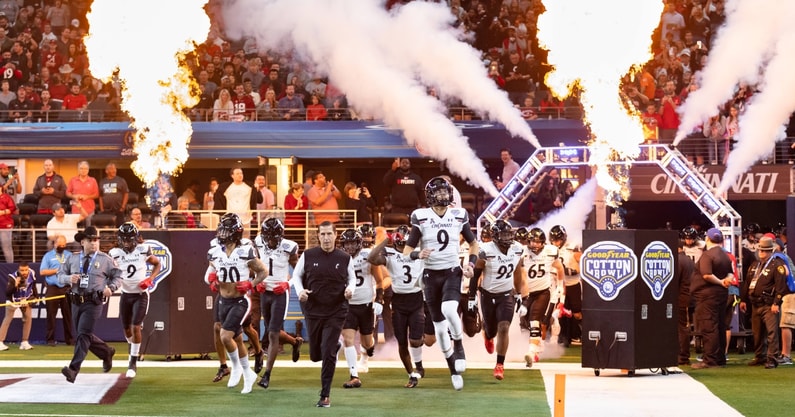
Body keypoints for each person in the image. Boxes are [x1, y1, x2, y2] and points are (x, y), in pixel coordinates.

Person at [403, 176, 479, 390]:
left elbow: (474, 243)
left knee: (449, 309)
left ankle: (459, 344)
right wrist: (419, 254)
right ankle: (453, 369)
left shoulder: (458, 215)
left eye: (446, 192)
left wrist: (471, 264)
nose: (444, 196)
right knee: (438, 327)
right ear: (430, 196)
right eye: (439, 193)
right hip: (430, 275)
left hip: (452, 271)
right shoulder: (421, 216)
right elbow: (407, 251)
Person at [290, 221, 356, 408]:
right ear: (318, 236)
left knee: (327, 353)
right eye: (323, 234)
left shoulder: (344, 258)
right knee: (315, 355)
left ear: (336, 235)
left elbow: (352, 278)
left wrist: (350, 289)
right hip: (313, 310)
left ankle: (325, 395)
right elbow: (296, 276)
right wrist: (300, 290)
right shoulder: (308, 255)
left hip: (336, 310)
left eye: (329, 234)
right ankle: (333, 346)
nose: (326, 238)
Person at [204, 213, 268, 394]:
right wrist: (212, 279)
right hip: (223, 300)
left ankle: (242, 370)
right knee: (238, 339)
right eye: (221, 229)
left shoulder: (245, 250)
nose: (222, 233)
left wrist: (251, 283)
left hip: (241, 300)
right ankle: (244, 372)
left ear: (235, 232)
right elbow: (211, 271)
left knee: (225, 336)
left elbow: (263, 271)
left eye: (226, 230)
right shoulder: (215, 251)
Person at [58, 226, 122, 383]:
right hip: (75, 302)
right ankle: (106, 352)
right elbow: (59, 275)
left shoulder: (105, 259)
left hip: (93, 302)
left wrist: (111, 288)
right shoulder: (72, 258)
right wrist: (68, 279)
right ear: (82, 242)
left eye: (96, 240)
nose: (94, 243)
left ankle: (73, 370)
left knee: (83, 334)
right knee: (83, 334)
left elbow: (119, 277)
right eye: (90, 240)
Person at [467, 220, 524, 380]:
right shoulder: (485, 250)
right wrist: (472, 297)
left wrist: (518, 293)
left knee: (504, 327)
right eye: (503, 235)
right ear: (495, 236)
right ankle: (487, 333)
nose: (507, 238)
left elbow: (517, 272)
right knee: (492, 330)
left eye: (508, 234)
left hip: (506, 294)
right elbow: (476, 274)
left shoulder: (517, 249)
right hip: (487, 294)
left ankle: (500, 364)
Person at [252, 218, 302, 389]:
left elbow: (299, 272)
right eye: (269, 237)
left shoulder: (290, 246)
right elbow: (254, 265)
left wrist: (287, 284)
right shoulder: (258, 242)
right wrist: (256, 279)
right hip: (265, 291)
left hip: (280, 294)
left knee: (273, 334)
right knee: (271, 330)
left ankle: (267, 374)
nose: (271, 241)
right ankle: (295, 342)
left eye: (274, 237)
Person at [108, 223, 161, 378]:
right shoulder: (114, 253)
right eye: (123, 239)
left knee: (136, 327)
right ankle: (133, 349)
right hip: (125, 294)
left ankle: (133, 361)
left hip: (141, 294)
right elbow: (109, 271)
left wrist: (150, 278)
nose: (126, 242)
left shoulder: (143, 249)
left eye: (129, 239)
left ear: (136, 238)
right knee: (126, 330)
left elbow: (157, 263)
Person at [337, 228, 383, 389]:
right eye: (346, 243)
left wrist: (380, 300)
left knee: (367, 341)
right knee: (348, 339)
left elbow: (379, 280)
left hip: (366, 304)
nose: (349, 247)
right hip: (348, 305)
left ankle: (368, 352)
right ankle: (353, 375)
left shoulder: (367, 256)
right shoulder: (339, 258)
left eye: (352, 243)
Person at [739, 237, 788, 369]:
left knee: (772, 332)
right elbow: (747, 283)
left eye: (765, 251)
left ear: (771, 251)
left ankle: (772, 358)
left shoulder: (777, 265)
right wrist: (743, 299)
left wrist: (776, 303)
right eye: (760, 250)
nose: (762, 253)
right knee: (757, 332)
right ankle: (760, 356)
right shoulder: (755, 265)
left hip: (768, 303)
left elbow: (780, 286)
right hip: (755, 303)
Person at [519, 227, 564, 367]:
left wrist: (560, 286)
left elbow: (559, 268)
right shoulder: (522, 252)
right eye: (533, 241)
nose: (535, 245)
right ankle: (537, 348)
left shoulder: (551, 252)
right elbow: (517, 273)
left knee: (535, 320)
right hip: (527, 293)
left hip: (543, 291)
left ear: (543, 242)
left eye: (538, 242)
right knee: (526, 324)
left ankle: (531, 353)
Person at [691, 227, 734, 370]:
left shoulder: (707, 255)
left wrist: (721, 282)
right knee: (720, 325)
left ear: (707, 239)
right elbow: (731, 274)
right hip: (721, 295)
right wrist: (725, 281)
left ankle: (710, 360)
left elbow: (707, 275)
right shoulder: (725, 255)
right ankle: (720, 358)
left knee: (709, 326)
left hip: (707, 295)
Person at [549, 225, 583, 347]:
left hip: (572, 283)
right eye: (553, 239)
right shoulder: (550, 249)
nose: (556, 242)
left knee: (577, 313)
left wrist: (570, 271)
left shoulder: (573, 246)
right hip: (558, 284)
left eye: (558, 239)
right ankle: (564, 337)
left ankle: (581, 333)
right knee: (560, 312)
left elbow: (583, 265)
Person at [39, 234, 74, 347]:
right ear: (55, 244)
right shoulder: (48, 256)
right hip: (52, 288)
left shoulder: (69, 255)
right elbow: (42, 272)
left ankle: (69, 339)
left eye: (64, 245)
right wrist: (56, 270)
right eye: (60, 245)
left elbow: (74, 269)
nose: (62, 247)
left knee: (68, 315)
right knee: (51, 315)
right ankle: (50, 339)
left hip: (66, 288)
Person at [214, 168, 262, 238]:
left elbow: (260, 200)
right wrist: (216, 190)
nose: (240, 175)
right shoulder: (225, 187)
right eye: (237, 174)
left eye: (241, 173)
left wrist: (258, 190)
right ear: (232, 175)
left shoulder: (250, 186)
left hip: (245, 219)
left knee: (246, 240)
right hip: (231, 219)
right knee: (231, 239)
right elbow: (218, 198)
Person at [0, 261, 37, 351]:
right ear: (18, 269)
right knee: (7, 319)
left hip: (25, 299)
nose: (24, 272)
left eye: (26, 270)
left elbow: (33, 285)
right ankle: (0, 342)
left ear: (28, 268)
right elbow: (8, 293)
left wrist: (36, 297)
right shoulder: (12, 277)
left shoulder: (32, 273)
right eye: (22, 270)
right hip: (13, 300)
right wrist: (15, 285)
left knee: (28, 319)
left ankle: (24, 342)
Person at [675, 241, 697, 365]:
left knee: (683, 328)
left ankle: (683, 356)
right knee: (683, 327)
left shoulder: (678, 261)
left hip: (683, 299)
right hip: (688, 298)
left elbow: (675, 280)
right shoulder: (689, 260)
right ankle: (682, 354)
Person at [66, 160, 99, 225]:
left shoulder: (93, 180)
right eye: (81, 168)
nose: (83, 170)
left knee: (89, 231)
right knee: (76, 232)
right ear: (78, 169)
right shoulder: (73, 180)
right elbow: (67, 193)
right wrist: (74, 196)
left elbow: (96, 194)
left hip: (89, 210)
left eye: (85, 169)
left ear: (88, 170)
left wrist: (87, 197)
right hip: (76, 210)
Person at [98, 162, 129, 226]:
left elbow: (126, 194)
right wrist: (101, 209)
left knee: (120, 228)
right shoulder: (102, 181)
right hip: (106, 211)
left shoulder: (121, 180)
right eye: (111, 169)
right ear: (106, 171)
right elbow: (100, 196)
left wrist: (122, 207)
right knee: (106, 229)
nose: (114, 170)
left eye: (115, 168)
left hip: (118, 210)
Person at [0, 183, 14, 263]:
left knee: (6, 247)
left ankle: (10, 265)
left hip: (5, 225)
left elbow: (12, 209)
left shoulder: (6, 197)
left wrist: (3, 212)